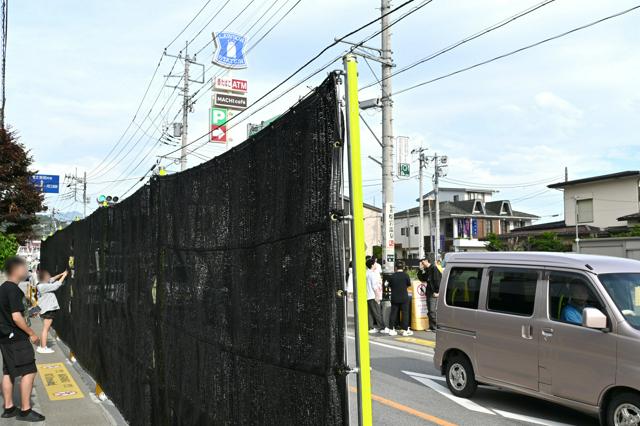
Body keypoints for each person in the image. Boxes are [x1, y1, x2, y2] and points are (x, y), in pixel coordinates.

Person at [0, 256, 45, 422]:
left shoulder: (3, 289)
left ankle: (9, 407)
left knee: (8, 372)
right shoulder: (13, 290)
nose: (26, 270)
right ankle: (25, 411)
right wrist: (31, 333)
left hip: (5, 338)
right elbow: (17, 317)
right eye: (24, 268)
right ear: (16, 270)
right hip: (17, 338)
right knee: (29, 370)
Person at [36, 269, 68, 354]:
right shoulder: (43, 286)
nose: (49, 277)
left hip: (46, 309)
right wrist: (64, 276)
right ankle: (43, 347)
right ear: (44, 278)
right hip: (48, 310)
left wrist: (61, 273)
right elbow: (56, 285)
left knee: (45, 328)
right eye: (47, 276)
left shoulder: (42, 283)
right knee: (46, 329)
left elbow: (53, 279)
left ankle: (43, 346)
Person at [387, 261, 413, 336]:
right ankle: (405, 330)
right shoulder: (406, 275)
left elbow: (389, 285)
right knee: (405, 313)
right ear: (403, 267)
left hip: (394, 297)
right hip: (404, 297)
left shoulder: (392, 276)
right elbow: (408, 284)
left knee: (393, 313)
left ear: (395, 267)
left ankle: (391, 329)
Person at [366, 259, 389, 334]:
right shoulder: (372, 274)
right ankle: (382, 327)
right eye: (375, 263)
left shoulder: (367, 273)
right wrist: (377, 296)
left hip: (369, 295)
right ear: (372, 265)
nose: (376, 264)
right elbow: (374, 286)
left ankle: (371, 327)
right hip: (373, 295)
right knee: (377, 312)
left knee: (370, 313)